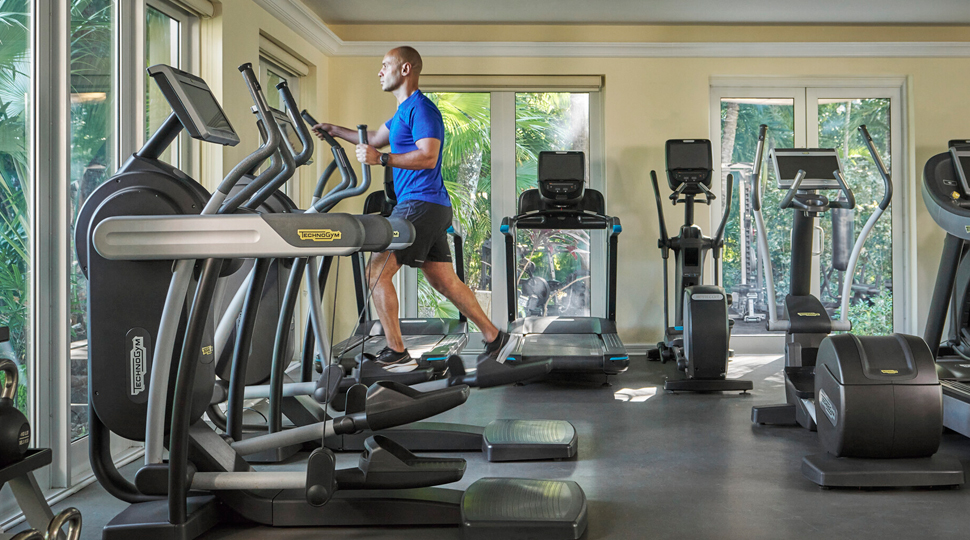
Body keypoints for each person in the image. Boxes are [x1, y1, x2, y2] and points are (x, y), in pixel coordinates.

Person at [311, 46, 509, 372]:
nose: (379, 71)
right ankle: (493, 337)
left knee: (377, 271)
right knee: (444, 281)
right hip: (428, 204)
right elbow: (375, 139)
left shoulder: (422, 109)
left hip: (421, 202)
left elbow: (428, 156)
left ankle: (397, 352)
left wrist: (383, 159)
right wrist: (335, 131)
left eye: (385, 65)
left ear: (405, 70)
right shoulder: (402, 112)